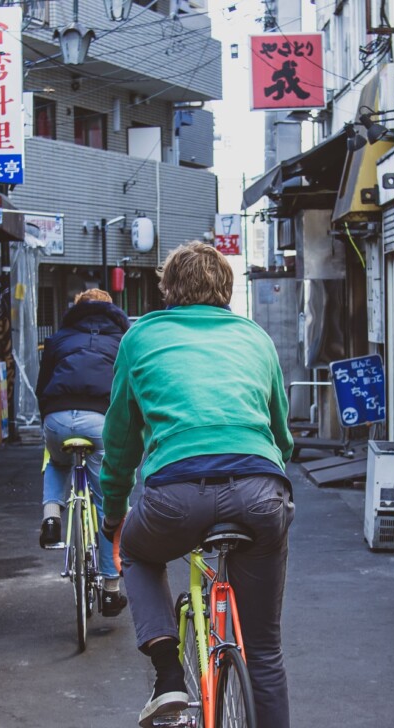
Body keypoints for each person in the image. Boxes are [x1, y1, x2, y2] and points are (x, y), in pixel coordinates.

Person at [99, 242, 295, 728]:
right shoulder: (256, 338)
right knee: (265, 651)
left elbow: (120, 441)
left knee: (139, 555)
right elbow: (282, 435)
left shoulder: (140, 339)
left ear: (168, 288)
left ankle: (168, 678)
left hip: (174, 494)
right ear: (226, 289)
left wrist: (113, 514)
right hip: (259, 489)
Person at [35, 287, 131, 616]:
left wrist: (47, 422)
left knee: (56, 460)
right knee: (108, 504)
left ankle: (51, 517)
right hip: (99, 420)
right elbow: (127, 390)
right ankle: (110, 588)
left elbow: (42, 385)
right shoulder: (123, 341)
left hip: (58, 417)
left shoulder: (59, 338)